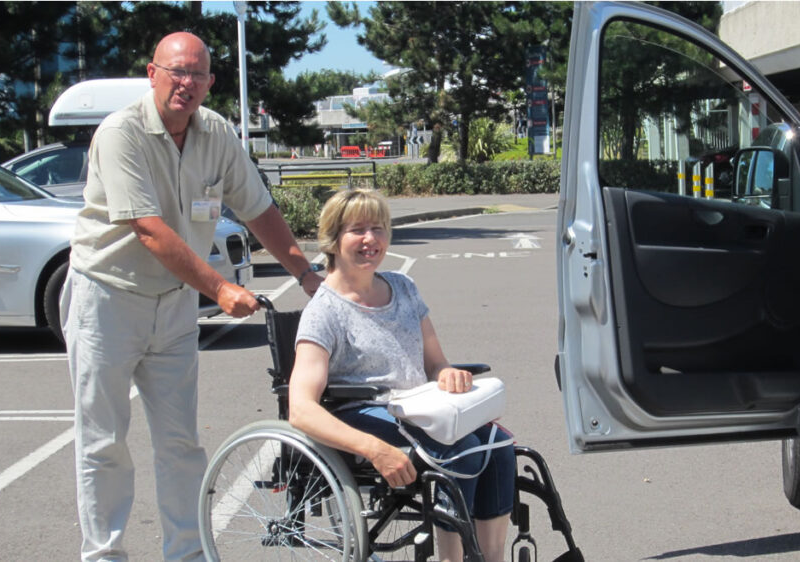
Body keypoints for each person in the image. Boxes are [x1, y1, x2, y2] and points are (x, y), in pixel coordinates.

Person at [60, 31, 323, 562]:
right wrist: (221, 287)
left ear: (210, 82)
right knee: (103, 441)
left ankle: (187, 554)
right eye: (176, 71)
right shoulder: (120, 133)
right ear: (152, 73)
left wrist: (307, 276)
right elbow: (149, 229)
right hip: (106, 298)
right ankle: (103, 555)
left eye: (197, 74)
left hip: (175, 304)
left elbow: (258, 208)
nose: (186, 83)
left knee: (181, 443)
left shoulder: (216, 133)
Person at [288, 189, 515, 562]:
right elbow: (301, 409)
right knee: (461, 452)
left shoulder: (403, 288)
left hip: (420, 405)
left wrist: (448, 375)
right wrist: (374, 449)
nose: (370, 239)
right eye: (357, 229)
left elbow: (436, 364)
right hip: (366, 410)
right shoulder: (324, 311)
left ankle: (491, 558)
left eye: (378, 229)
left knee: (498, 444)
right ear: (332, 239)